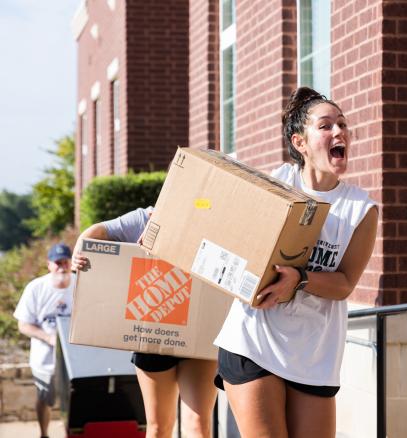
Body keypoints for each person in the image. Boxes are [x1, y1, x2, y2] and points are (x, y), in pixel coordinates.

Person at [213, 87, 378, 438]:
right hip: (253, 340)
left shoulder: (360, 209)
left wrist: (299, 279)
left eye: (343, 125)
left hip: (313, 355)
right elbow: (229, 237)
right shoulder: (278, 186)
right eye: (326, 125)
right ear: (300, 143)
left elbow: (346, 282)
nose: (339, 132)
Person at [72, 208, 217, 438]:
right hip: (152, 336)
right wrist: (77, 255)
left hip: (197, 337)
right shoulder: (144, 218)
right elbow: (95, 232)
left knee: (198, 424)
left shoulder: (210, 220)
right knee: (159, 426)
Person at [14, 243, 75, 438]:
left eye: (65, 262)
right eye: (57, 263)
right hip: (45, 358)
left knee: (75, 401)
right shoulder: (36, 288)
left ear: (71, 263)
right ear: (49, 265)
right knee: (44, 398)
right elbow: (23, 324)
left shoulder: (81, 284)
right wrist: (49, 338)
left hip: (74, 359)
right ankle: (44, 434)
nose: (61, 267)